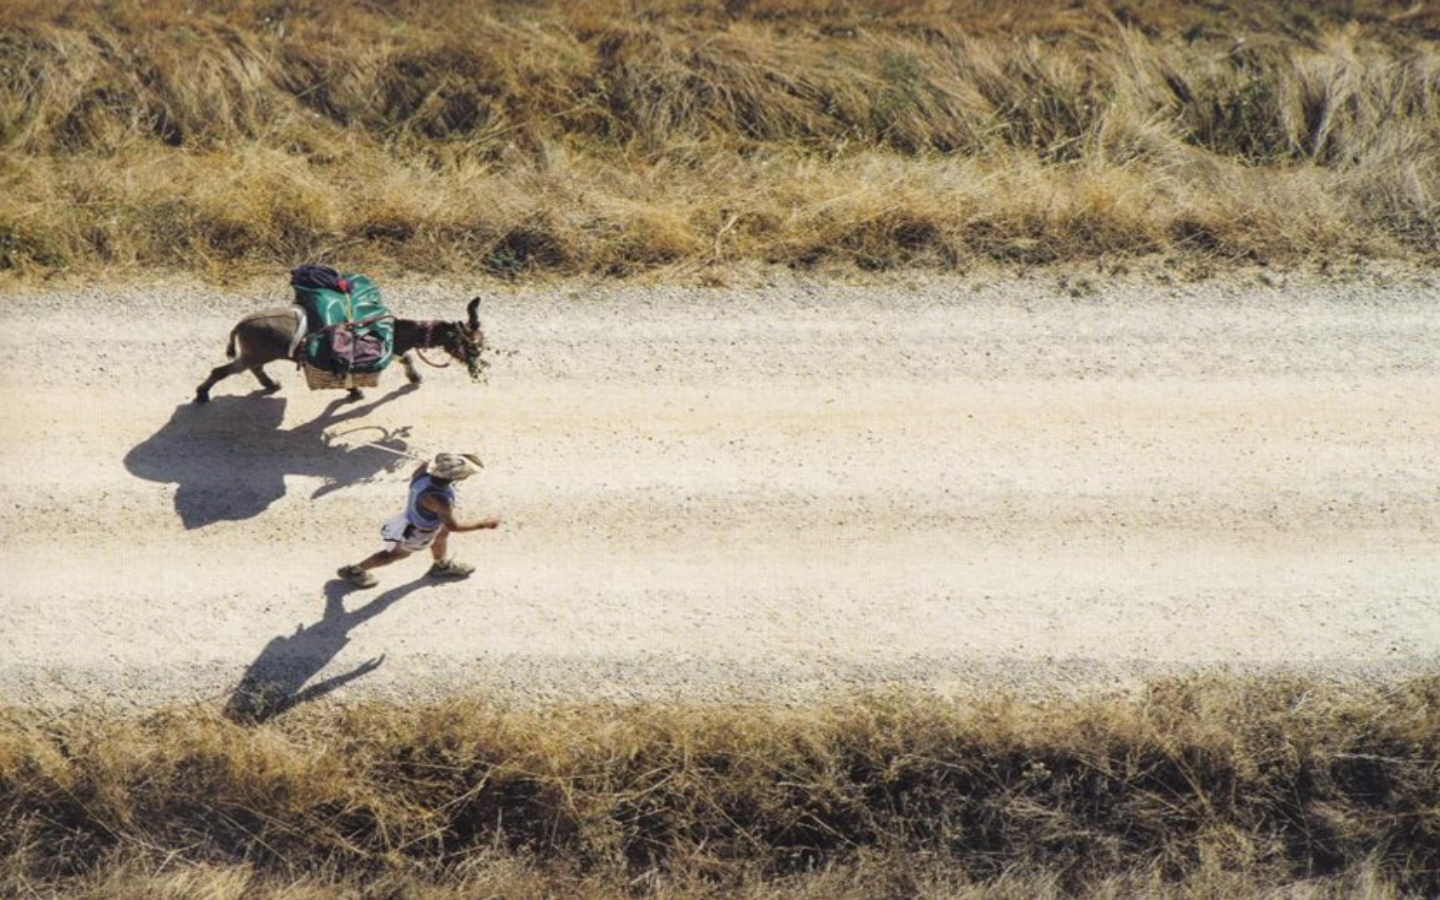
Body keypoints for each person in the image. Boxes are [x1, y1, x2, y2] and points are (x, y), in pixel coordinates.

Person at [337, 452, 500, 588]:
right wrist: (483, 524)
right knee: (394, 555)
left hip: (418, 520)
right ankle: (355, 571)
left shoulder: (421, 475)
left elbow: (427, 463)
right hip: (419, 532)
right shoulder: (440, 501)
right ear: (458, 478)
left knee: (441, 536)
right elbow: (453, 526)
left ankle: (441, 566)